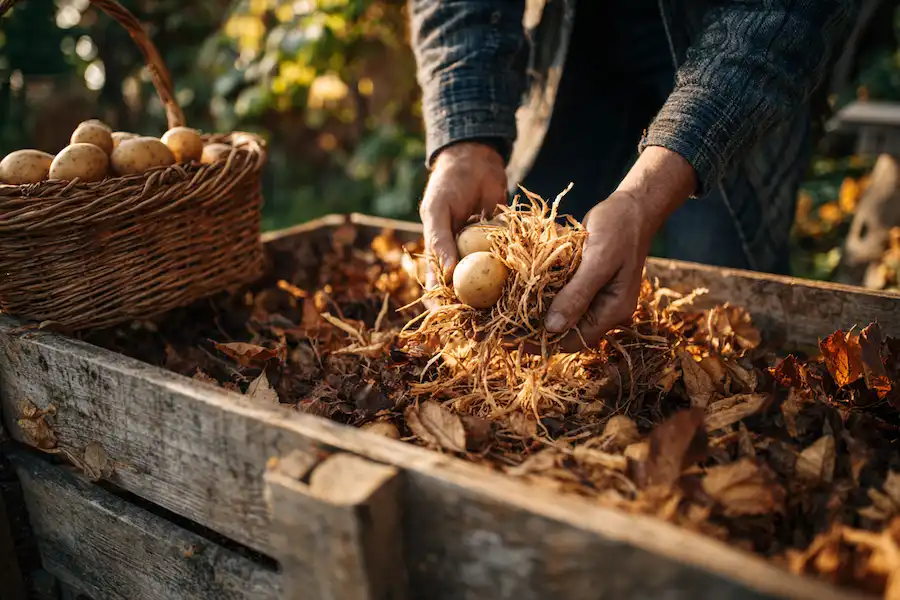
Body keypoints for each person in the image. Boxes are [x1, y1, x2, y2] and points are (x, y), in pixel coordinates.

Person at [408, 0, 857, 352]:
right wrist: (464, 141)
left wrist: (645, 197)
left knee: (723, 281)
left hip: (734, 34)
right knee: (546, 261)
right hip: (576, 28)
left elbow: (784, 12)